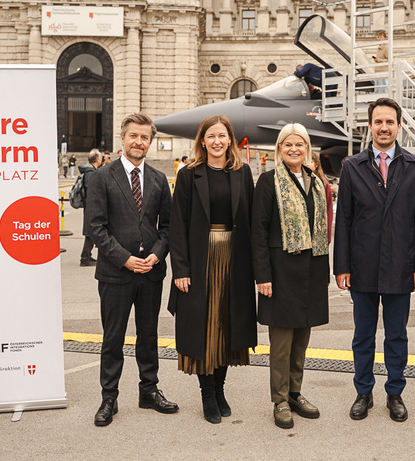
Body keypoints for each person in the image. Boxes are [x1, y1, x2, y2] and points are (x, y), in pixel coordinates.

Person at [333, 97, 415, 423]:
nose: (384, 127)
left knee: (396, 335)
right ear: (371, 126)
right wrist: (342, 266)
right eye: (379, 122)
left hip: (400, 267)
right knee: (362, 335)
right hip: (361, 266)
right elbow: (343, 220)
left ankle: (395, 392)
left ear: (399, 126)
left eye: (390, 122)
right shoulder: (352, 167)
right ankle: (363, 391)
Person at [86, 113, 177, 426]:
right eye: (133, 136)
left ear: (150, 142)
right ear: (122, 139)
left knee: (148, 335)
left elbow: (167, 227)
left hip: (150, 272)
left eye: (145, 137)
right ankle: (109, 397)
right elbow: (95, 227)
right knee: (113, 338)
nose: (139, 142)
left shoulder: (158, 179)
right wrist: (123, 257)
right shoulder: (101, 177)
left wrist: (156, 255)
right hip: (116, 273)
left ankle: (148, 390)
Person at [169, 115, 257, 425]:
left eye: (222, 136)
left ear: (230, 140)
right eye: (211, 136)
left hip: (234, 259)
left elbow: (251, 222)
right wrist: (180, 269)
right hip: (201, 259)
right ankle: (207, 394)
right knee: (204, 328)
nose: (217, 142)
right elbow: (176, 226)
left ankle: (220, 390)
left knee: (227, 326)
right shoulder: (189, 174)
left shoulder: (242, 173)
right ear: (202, 141)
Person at [252, 124, 330, 429]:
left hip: (310, 270)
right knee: (282, 342)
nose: (295, 149)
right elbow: (258, 232)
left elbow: (321, 229)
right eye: (288, 145)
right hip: (280, 271)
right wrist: (263, 276)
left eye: (300, 145)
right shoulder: (268, 181)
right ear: (279, 149)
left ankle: (295, 393)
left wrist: (322, 273)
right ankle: (280, 399)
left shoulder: (315, 181)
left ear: (307, 148)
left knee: (302, 339)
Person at [79, 149, 102, 267]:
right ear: (97, 159)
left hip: (90, 206)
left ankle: (87, 255)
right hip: (91, 206)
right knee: (90, 232)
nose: (102, 159)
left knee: (91, 232)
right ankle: (84, 257)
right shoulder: (90, 173)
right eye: (100, 157)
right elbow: (91, 191)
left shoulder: (91, 171)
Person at [309, 152, 333, 241]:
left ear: (316, 164)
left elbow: (328, 209)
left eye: (310, 162)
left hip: (318, 232)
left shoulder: (323, 184)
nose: (307, 164)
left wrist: (328, 236)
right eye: (304, 162)